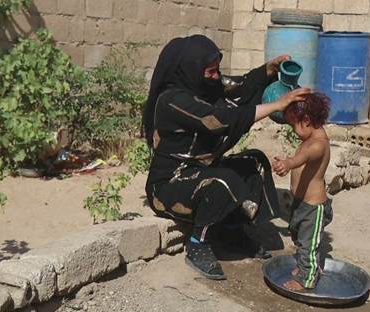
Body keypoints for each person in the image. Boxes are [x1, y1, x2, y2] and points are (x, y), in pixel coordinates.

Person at [142, 34, 310, 280]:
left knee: (254, 164)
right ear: (191, 70)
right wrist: (276, 106)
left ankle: (232, 231)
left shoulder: (210, 85)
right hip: (170, 184)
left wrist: (270, 70)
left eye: (216, 69)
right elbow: (218, 121)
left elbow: (242, 86)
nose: (216, 76)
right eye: (210, 71)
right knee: (223, 182)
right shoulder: (172, 100)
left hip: (202, 171)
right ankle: (197, 244)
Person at [272, 92, 334, 291]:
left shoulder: (319, 144)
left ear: (306, 120)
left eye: (293, 125)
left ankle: (307, 279)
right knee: (299, 239)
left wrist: (289, 163)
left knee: (308, 245)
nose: (293, 129)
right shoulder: (309, 137)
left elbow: (305, 156)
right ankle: (306, 266)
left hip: (313, 208)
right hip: (301, 204)